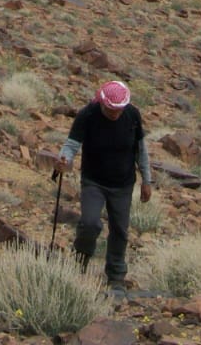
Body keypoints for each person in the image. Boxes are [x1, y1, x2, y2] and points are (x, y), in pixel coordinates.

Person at [53, 79, 153, 291]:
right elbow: (71, 145)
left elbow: (140, 150)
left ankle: (116, 276)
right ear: (102, 103)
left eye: (118, 109)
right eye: (110, 109)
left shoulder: (132, 115)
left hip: (123, 184)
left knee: (120, 230)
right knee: (89, 223)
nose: (115, 113)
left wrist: (147, 180)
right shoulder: (87, 115)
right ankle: (80, 262)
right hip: (94, 181)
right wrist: (64, 160)